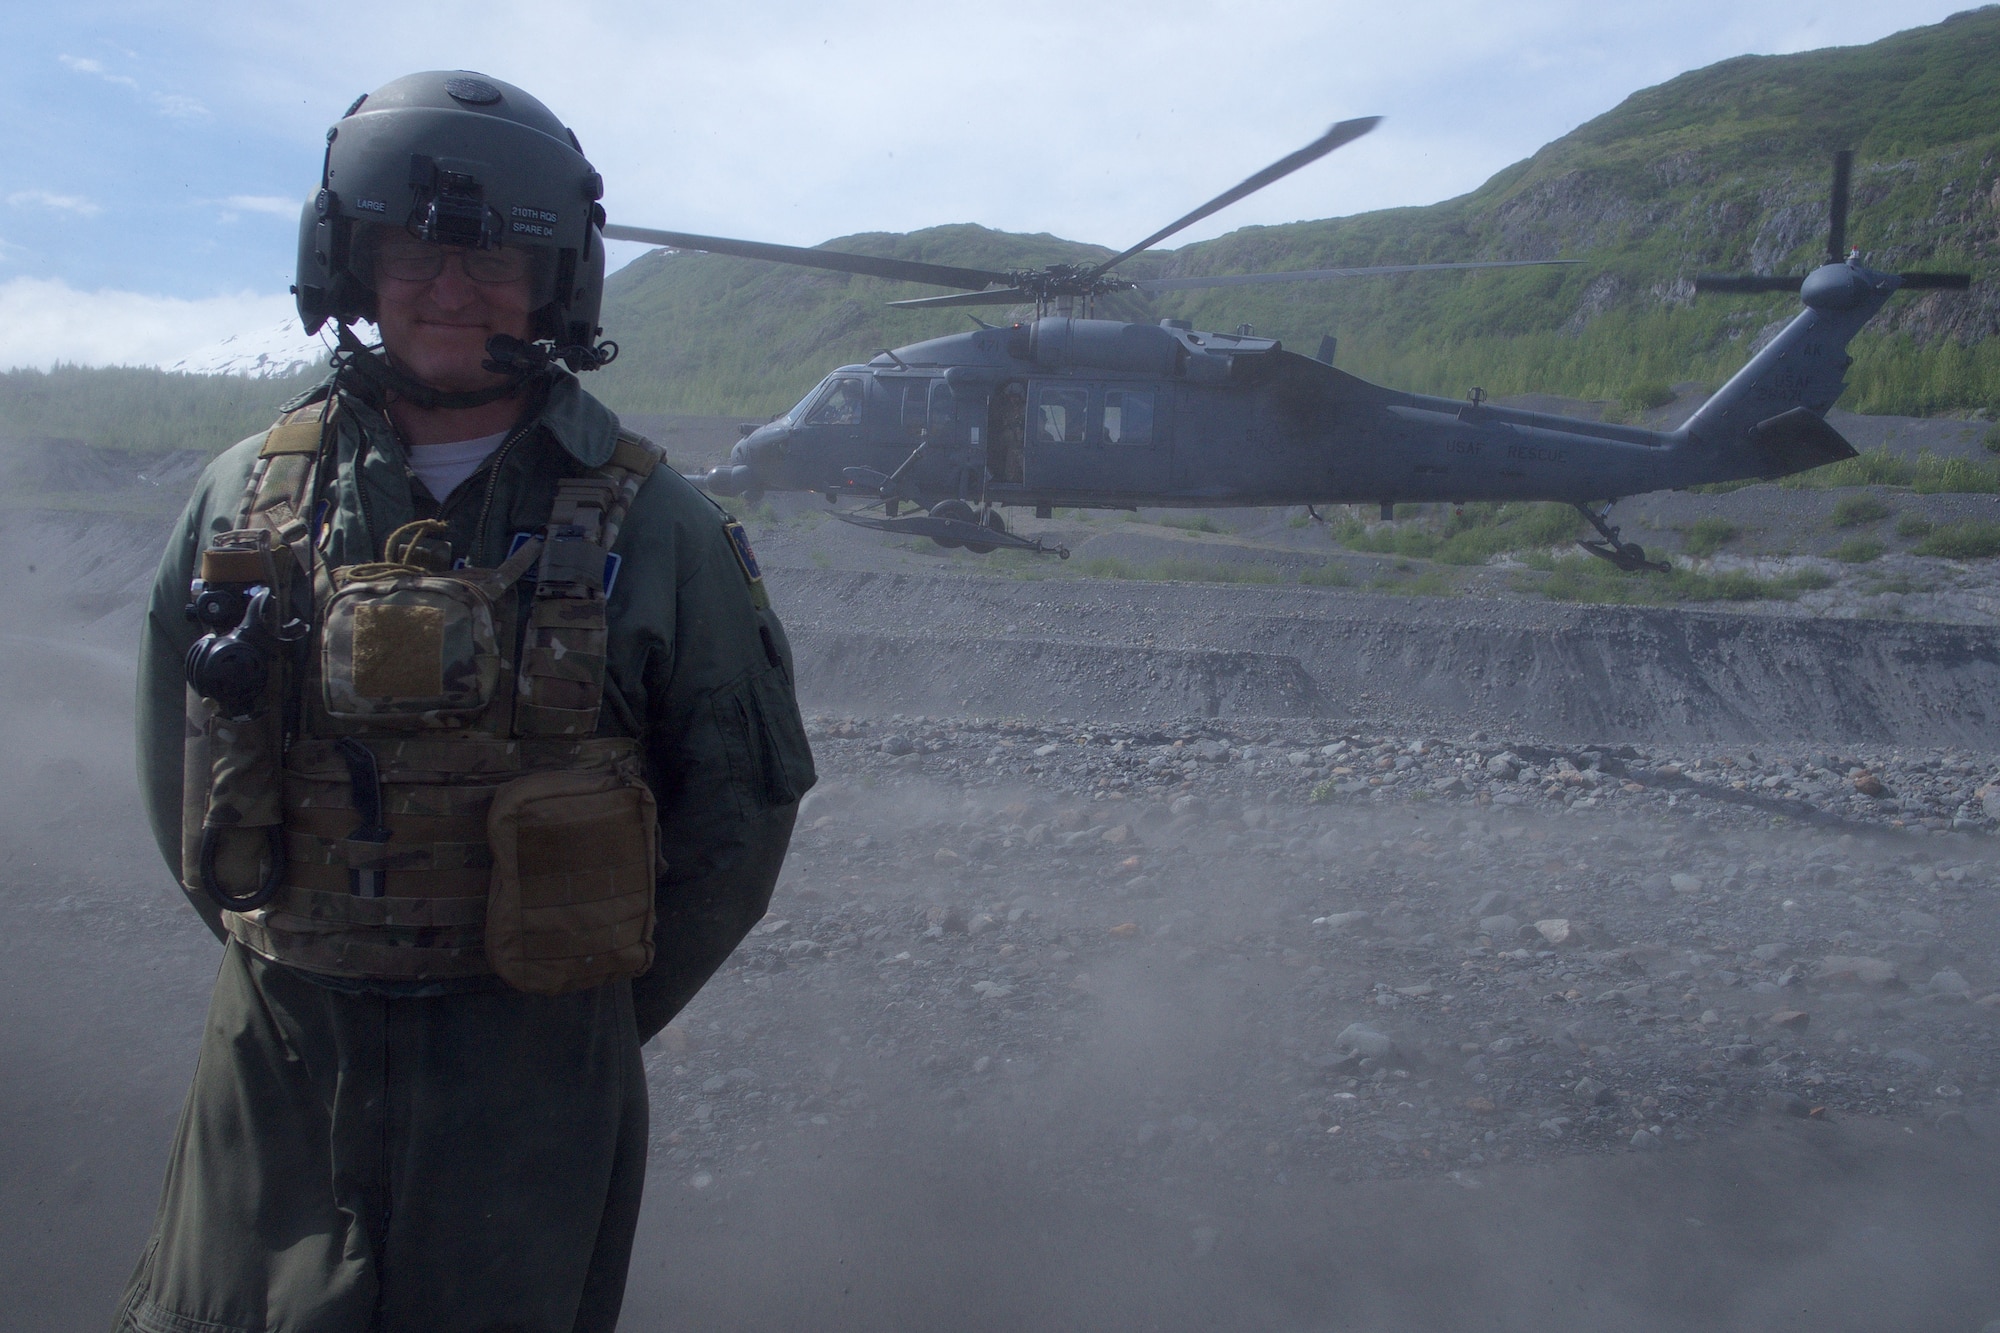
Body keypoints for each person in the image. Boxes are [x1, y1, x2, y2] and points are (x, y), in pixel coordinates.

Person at [114, 70, 814, 1333]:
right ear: (351, 263)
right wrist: (310, 957)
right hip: (278, 1057)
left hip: (529, 1079)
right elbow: (176, 772)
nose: (451, 286)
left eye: (496, 254)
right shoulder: (238, 503)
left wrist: (574, 1018)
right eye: (412, 251)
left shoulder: (660, 526)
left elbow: (735, 832)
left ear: (557, 281)